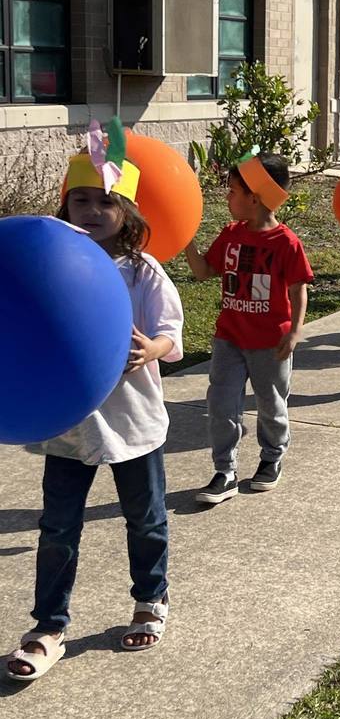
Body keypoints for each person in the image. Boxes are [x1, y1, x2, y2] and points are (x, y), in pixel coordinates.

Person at [6, 125, 184, 681]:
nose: (92, 210)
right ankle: (48, 628)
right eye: (80, 200)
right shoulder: (48, 265)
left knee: (146, 519)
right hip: (68, 426)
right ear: (65, 207)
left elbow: (172, 335)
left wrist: (152, 348)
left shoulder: (142, 270)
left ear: (126, 212)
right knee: (58, 528)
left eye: (106, 201)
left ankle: (150, 599)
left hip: (132, 422)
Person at [185, 152, 313, 505]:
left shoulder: (286, 242)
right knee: (221, 404)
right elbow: (203, 272)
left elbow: (298, 289)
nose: (227, 197)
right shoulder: (230, 235)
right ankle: (225, 471)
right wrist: (185, 238)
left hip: (271, 342)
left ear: (254, 198)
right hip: (229, 337)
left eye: (232, 191)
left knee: (271, 404)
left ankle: (272, 457)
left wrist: (295, 331)